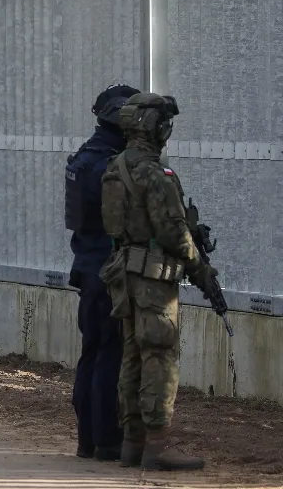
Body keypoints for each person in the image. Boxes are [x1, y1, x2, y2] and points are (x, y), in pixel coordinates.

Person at [100, 92, 218, 471]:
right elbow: (174, 234)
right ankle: (157, 445)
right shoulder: (155, 173)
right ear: (154, 126)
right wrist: (202, 271)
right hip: (152, 280)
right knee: (160, 358)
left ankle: (132, 444)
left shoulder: (115, 166)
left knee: (132, 355)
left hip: (124, 274)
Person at [65, 83, 138, 462]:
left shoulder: (85, 157)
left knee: (91, 352)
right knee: (110, 353)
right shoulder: (111, 164)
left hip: (86, 267)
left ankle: (88, 440)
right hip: (108, 270)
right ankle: (107, 439)